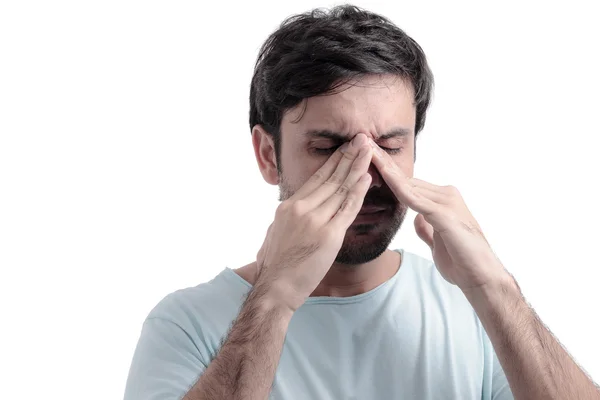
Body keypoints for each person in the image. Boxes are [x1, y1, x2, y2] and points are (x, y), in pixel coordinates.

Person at [123, 5, 600, 400]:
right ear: (269, 155)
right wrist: (273, 300)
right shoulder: (185, 326)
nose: (367, 177)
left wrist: (496, 289)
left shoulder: (471, 309)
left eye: (390, 147)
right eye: (330, 148)